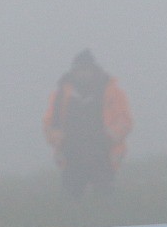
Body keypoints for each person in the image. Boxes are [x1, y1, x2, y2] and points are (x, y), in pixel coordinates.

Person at [43, 50, 133, 197]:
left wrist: (109, 137)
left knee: (104, 200)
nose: (83, 73)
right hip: (71, 154)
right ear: (74, 71)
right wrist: (60, 140)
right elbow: (50, 124)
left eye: (86, 69)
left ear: (93, 69)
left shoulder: (112, 92)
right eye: (79, 69)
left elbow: (125, 120)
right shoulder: (60, 95)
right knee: (72, 202)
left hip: (103, 154)